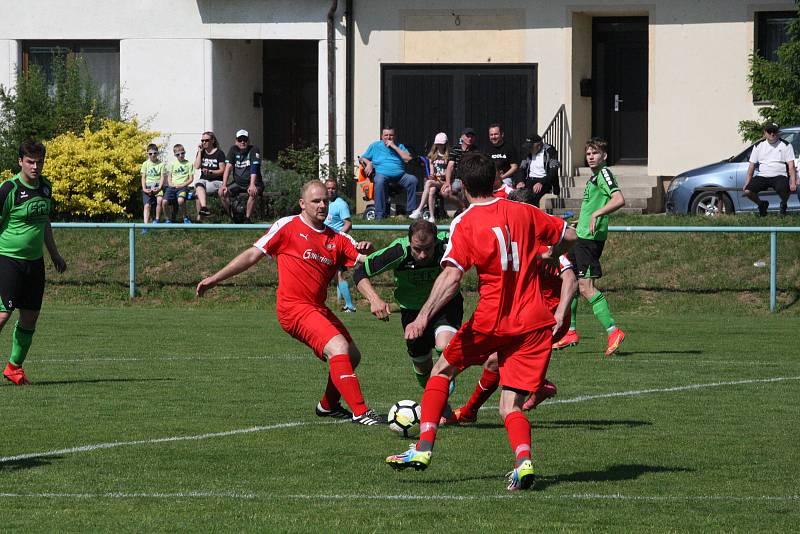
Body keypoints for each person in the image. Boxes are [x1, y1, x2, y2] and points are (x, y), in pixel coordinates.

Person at [385, 152, 577, 491]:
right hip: (534, 323)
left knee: (441, 370)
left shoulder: (465, 222)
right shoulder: (526, 211)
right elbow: (570, 235)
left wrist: (424, 316)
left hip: (492, 320)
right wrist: (549, 248)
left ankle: (423, 448)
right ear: (494, 181)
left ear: (462, 185)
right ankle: (523, 463)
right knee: (510, 405)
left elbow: (451, 278)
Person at [196, 180, 385, 425]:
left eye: (325, 201)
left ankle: (327, 406)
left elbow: (366, 263)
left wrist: (369, 251)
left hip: (318, 308)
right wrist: (215, 278)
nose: (322, 205)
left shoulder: (338, 238)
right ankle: (361, 412)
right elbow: (253, 254)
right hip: (293, 308)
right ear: (302, 203)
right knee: (338, 347)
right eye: (316, 201)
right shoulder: (287, 226)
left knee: (353, 356)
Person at [451, 187, 577, 423]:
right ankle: (538, 386)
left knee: (494, 361)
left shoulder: (544, 241)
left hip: (546, 316)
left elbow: (570, 278)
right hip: (524, 314)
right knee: (498, 360)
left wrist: (560, 314)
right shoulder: (517, 238)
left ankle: (469, 411)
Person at [353, 219, 462, 392]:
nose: (423, 255)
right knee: (421, 364)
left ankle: (443, 382)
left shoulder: (446, 246)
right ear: (409, 242)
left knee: (444, 345)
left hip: (445, 305)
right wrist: (375, 300)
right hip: (411, 310)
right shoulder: (398, 251)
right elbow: (359, 273)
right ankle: (438, 400)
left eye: (428, 249)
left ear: (436, 241)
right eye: (417, 249)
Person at [0, 139, 67, 385]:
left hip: (34, 263)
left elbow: (44, 221)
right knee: (3, 315)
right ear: (20, 162)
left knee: (29, 317)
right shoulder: (9, 189)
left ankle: (14, 368)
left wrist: (54, 254)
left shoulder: (46, 187)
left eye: (39, 162)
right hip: (8, 260)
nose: (35, 167)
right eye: (30, 162)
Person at [554, 138, 626, 356]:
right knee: (571, 284)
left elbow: (618, 199)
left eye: (595, 153)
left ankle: (613, 331)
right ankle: (571, 332)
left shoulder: (604, 174)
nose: (591, 157)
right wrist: (580, 222)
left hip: (589, 240)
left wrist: (596, 214)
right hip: (581, 236)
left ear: (604, 155)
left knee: (585, 287)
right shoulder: (594, 178)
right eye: (588, 154)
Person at [359, 127, 418, 220]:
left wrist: (394, 147)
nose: (388, 137)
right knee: (379, 180)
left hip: (400, 176)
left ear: (394, 136)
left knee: (412, 180)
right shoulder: (375, 146)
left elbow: (408, 158)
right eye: (386, 135)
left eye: (391, 135)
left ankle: (411, 212)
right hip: (382, 175)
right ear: (382, 136)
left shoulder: (400, 146)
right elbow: (362, 158)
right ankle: (380, 214)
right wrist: (369, 163)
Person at [743, 122, 797, 216]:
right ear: (765, 132)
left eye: (774, 131)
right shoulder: (758, 145)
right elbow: (751, 166)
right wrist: (747, 183)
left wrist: (793, 182)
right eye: (769, 131)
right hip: (763, 175)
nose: (772, 134)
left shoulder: (786, 145)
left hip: (779, 175)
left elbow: (791, 166)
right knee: (748, 191)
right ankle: (761, 204)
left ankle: (783, 204)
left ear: (778, 132)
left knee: (783, 188)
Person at [324, 178, 356, 313]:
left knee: (338, 275)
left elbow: (348, 223)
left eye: (333, 188)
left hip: (335, 245)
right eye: (328, 188)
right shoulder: (323, 203)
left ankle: (350, 306)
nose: (330, 190)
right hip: (324, 244)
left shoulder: (340, 204)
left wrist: (337, 237)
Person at [220, 129, 263, 224]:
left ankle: (247, 219)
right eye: (240, 140)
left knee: (253, 192)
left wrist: (252, 184)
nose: (242, 142)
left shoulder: (254, 149)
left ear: (249, 141)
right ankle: (233, 217)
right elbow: (228, 167)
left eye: (245, 139)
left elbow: (254, 168)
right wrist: (224, 185)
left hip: (254, 182)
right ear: (236, 141)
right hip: (238, 183)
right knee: (222, 193)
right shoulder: (233, 150)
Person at [410, 132, 449, 223]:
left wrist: (442, 175)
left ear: (445, 144)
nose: (439, 146)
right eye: (438, 144)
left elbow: (449, 172)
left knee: (428, 183)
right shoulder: (432, 156)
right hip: (435, 181)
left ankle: (419, 209)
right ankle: (432, 217)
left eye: (441, 144)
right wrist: (432, 176)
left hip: (445, 182)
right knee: (431, 190)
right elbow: (431, 172)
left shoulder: (448, 156)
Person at [516, 134, 560, 208]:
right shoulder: (528, 153)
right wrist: (520, 181)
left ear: (538, 145)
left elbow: (553, 171)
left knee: (533, 196)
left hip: (544, 180)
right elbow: (522, 169)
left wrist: (541, 182)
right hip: (529, 180)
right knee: (517, 195)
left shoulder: (550, 151)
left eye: (530, 146)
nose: (528, 148)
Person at [442, 127, 479, 213]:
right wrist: (447, 182)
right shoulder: (455, 149)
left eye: (471, 136)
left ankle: (469, 211)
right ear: (462, 137)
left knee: (465, 189)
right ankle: (462, 207)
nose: (469, 138)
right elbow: (450, 166)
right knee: (445, 192)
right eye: (467, 136)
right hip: (457, 180)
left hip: (471, 179)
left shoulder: (476, 151)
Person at [193, 131, 226, 221]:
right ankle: (204, 208)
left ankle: (199, 218)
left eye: (206, 140)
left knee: (198, 193)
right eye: (202, 140)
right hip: (203, 180)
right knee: (199, 184)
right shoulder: (202, 152)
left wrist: (211, 172)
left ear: (213, 141)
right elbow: (196, 166)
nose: (204, 142)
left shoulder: (219, 153)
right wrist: (199, 152)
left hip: (216, 181)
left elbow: (223, 170)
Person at [165, 144, 195, 224]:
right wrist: (170, 183)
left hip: (183, 187)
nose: (180, 155)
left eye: (182, 153)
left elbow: (191, 179)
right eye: (178, 154)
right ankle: (168, 219)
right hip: (172, 187)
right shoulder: (172, 164)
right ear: (175, 155)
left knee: (181, 200)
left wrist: (183, 185)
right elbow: (169, 176)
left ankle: (185, 217)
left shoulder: (188, 164)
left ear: (185, 153)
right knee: (164, 202)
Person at [140, 143, 165, 233]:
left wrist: (159, 188)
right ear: (147, 154)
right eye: (150, 153)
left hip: (158, 186)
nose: (153, 155)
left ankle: (157, 220)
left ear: (157, 153)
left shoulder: (161, 164)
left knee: (160, 200)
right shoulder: (145, 164)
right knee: (147, 206)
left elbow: (162, 177)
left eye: (154, 153)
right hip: (147, 186)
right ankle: (145, 226)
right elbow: (143, 177)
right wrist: (144, 188)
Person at [486, 124, 519, 188]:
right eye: (491, 135)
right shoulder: (486, 149)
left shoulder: (509, 148)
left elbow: (514, 167)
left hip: (506, 178)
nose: (493, 137)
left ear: (502, 134)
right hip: (491, 179)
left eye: (496, 134)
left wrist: (501, 177)